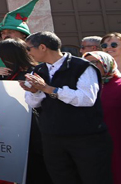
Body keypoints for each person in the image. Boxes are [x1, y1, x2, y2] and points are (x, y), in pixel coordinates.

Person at [21, 31, 112, 184]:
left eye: (29, 49)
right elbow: (33, 103)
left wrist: (50, 89)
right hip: (52, 138)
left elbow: (87, 99)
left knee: (94, 178)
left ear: (42, 47)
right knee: (62, 179)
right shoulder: (38, 70)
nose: (28, 53)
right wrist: (35, 91)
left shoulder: (82, 67)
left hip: (85, 138)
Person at [0, 40, 52, 184]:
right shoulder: (5, 73)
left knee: (39, 167)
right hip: (13, 127)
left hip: (34, 126)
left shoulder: (35, 71)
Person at [81, 51, 121, 184]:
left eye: (95, 62)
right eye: (86, 64)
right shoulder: (84, 89)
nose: (90, 67)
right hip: (93, 141)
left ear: (106, 63)